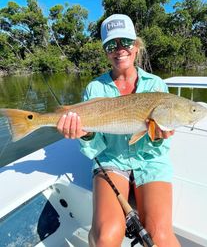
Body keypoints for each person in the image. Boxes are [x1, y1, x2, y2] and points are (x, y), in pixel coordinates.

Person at [57, 14, 180, 247]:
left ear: (136, 45)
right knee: (107, 236)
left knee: (160, 236)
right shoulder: (95, 88)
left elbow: (158, 146)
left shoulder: (156, 86)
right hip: (111, 160)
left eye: (126, 42)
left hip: (149, 162)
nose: (120, 49)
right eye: (111, 44)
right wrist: (85, 133)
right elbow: (94, 145)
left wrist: (159, 136)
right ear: (105, 50)